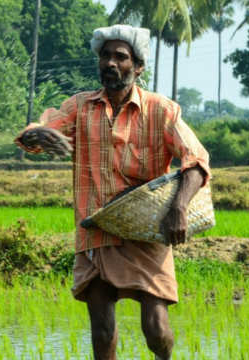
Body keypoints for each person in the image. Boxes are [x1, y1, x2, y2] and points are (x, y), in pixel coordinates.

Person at [14, 24, 212, 360]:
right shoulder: (79, 107)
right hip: (97, 232)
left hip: (146, 232)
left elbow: (196, 161)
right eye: (105, 55)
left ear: (138, 67)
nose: (110, 62)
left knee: (156, 331)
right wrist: (42, 135)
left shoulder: (161, 110)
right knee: (103, 330)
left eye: (120, 57)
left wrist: (178, 208)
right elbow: (35, 132)